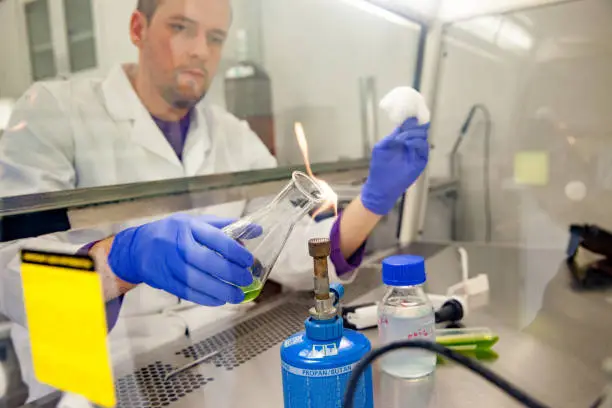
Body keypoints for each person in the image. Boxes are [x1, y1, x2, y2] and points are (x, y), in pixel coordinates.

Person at [0, 0, 429, 400]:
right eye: (181, 28)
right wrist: (117, 262)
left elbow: (297, 257)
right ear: (138, 28)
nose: (200, 51)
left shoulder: (232, 134)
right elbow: (9, 272)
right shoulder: (55, 111)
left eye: (215, 38)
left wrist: (375, 197)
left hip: (217, 362)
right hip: (94, 378)